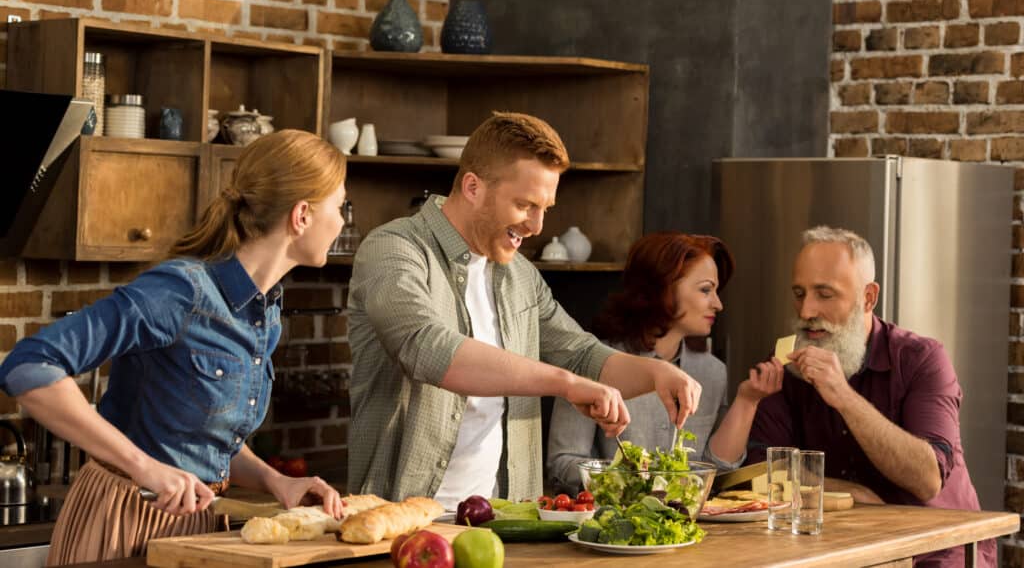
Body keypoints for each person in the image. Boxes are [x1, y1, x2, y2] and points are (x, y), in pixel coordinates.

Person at [0, 130, 348, 565]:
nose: (343, 221)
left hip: (198, 528)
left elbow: (205, 439)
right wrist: (143, 466)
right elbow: (29, 365)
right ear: (301, 215)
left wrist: (276, 481)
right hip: (123, 520)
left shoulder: (263, 311)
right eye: (339, 206)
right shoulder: (181, 291)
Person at [346, 112, 703, 509]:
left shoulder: (520, 276)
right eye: (524, 205)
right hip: (402, 521)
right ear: (472, 187)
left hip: (506, 520)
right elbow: (425, 347)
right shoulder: (394, 250)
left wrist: (656, 374)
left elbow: (583, 355)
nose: (537, 225)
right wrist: (564, 384)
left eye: (545, 207)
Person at [743, 225, 992, 568]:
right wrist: (846, 493)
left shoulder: (922, 358)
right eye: (799, 293)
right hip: (834, 552)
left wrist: (843, 396)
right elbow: (758, 472)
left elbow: (927, 479)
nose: (805, 311)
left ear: (869, 297)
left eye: (824, 294)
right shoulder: (785, 365)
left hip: (934, 553)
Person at [547, 232, 784, 493]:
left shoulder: (713, 372)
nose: (718, 304)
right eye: (706, 290)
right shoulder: (591, 363)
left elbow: (717, 471)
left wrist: (747, 400)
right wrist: (630, 478)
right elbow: (562, 463)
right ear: (663, 288)